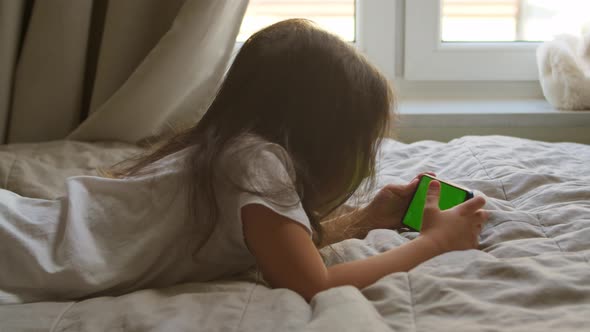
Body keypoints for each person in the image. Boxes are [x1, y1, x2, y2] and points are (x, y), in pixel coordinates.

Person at [0, 19, 488, 304]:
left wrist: (366, 219)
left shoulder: (235, 152)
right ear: (323, 135)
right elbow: (308, 282)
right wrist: (435, 242)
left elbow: (274, 248)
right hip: (22, 251)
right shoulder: (253, 162)